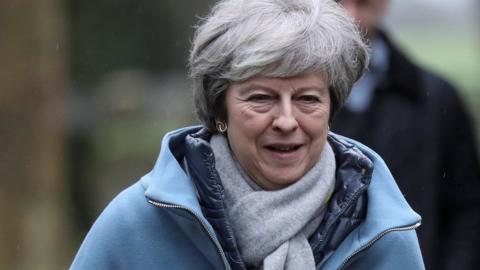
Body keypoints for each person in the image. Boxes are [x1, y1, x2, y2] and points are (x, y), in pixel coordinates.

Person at [71, 0, 425, 269]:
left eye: (307, 99)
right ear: (219, 110)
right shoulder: (137, 224)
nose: (287, 120)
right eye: (261, 98)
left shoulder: (383, 235)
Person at [333, 0, 480, 269]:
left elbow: (466, 211)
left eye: (361, 3)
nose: (349, 16)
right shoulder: (288, 105)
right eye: (337, 3)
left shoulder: (438, 99)